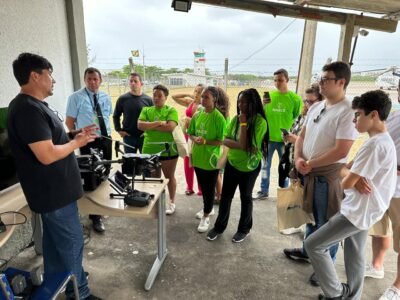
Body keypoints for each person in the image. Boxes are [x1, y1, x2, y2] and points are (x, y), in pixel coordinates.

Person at [7, 53, 101, 300]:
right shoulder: (27, 109)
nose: (53, 80)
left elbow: (50, 141)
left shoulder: (35, 107)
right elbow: (46, 155)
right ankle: (79, 292)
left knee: (57, 247)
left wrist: (73, 136)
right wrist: (77, 143)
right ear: (35, 76)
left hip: (55, 194)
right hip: (53, 195)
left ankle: (61, 283)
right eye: (49, 73)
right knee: (71, 244)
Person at [304, 90, 397, 300]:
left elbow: (344, 182)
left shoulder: (375, 145)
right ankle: (352, 296)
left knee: (313, 245)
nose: (355, 120)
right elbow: (345, 170)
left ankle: (336, 293)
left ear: (373, 115)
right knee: (355, 253)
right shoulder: (380, 141)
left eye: (358, 115)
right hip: (367, 209)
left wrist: (351, 179)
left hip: (358, 212)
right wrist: (352, 178)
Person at [283, 62, 357, 287]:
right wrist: (298, 159)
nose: (321, 83)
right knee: (309, 216)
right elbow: (302, 136)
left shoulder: (348, 110)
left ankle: (325, 267)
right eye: (321, 78)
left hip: (326, 175)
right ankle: (308, 250)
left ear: (341, 82)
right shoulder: (317, 106)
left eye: (326, 79)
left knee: (327, 223)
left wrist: (310, 163)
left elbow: (341, 150)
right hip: (307, 171)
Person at [207, 88, 267, 243]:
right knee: (226, 196)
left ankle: (244, 229)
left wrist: (244, 124)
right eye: (239, 101)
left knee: (245, 197)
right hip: (233, 164)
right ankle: (219, 227)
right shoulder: (235, 119)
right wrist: (239, 144)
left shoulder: (260, 122)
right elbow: (225, 140)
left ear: (253, 103)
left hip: (250, 167)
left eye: (245, 102)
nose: (241, 105)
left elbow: (243, 144)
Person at [363, 91, 400, 300]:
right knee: (379, 229)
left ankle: (397, 287)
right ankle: (377, 265)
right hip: (382, 184)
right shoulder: (393, 115)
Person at [66, 67, 112, 233]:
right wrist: (78, 136)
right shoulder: (75, 98)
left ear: (100, 81)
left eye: (96, 79)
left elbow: (106, 117)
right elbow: (69, 123)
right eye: (89, 79)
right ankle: (95, 216)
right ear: (85, 80)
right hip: (88, 141)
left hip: (105, 139)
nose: (93, 82)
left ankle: (103, 206)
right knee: (92, 176)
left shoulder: (106, 97)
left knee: (105, 172)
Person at [278, 84, 323, 235]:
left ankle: (302, 224)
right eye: (305, 101)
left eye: (310, 102)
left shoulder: (318, 119)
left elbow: (312, 142)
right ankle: (296, 222)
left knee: (305, 197)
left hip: (307, 164)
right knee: (296, 193)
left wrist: (294, 138)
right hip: (294, 159)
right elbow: (296, 134)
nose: (306, 104)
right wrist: (287, 137)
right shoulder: (302, 116)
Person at [256, 68, 302, 199]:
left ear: (287, 80)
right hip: (268, 138)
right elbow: (261, 116)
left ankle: (284, 191)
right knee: (265, 166)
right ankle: (263, 191)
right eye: (275, 80)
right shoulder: (269, 96)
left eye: (280, 80)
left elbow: (297, 119)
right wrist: (262, 106)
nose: (277, 83)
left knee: (285, 167)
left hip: (285, 140)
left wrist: (291, 136)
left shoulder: (295, 99)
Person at [187, 86, 227, 233]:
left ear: (214, 99)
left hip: (211, 160)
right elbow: (190, 133)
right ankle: (207, 209)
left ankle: (206, 216)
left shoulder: (219, 118)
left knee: (209, 189)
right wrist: (194, 138)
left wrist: (205, 142)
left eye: (206, 97)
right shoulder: (197, 114)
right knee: (203, 187)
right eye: (202, 97)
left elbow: (221, 141)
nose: (202, 99)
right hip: (198, 158)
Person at [138, 85, 179, 215]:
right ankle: (156, 201)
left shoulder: (171, 110)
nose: (156, 98)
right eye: (154, 95)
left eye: (159, 96)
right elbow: (140, 125)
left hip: (168, 151)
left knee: (169, 177)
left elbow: (170, 127)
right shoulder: (146, 110)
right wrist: (159, 123)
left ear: (166, 97)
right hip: (149, 150)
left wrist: (150, 126)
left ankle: (171, 202)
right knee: (154, 177)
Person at [172, 84, 204, 196]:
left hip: (198, 136)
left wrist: (189, 120)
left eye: (199, 92)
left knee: (199, 162)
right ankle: (189, 187)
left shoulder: (205, 106)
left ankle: (201, 189)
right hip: (187, 136)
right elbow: (174, 97)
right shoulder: (189, 102)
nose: (196, 94)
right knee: (187, 162)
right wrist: (187, 94)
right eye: (195, 91)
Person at [113, 72, 152, 153]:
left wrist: (148, 131)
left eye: (135, 81)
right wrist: (119, 130)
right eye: (131, 81)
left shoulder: (148, 100)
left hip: (144, 136)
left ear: (141, 84)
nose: (133, 83)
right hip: (128, 137)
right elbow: (116, 115)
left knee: (145, 162)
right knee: (130, 163)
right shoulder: (122, 99)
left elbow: (153, 118)